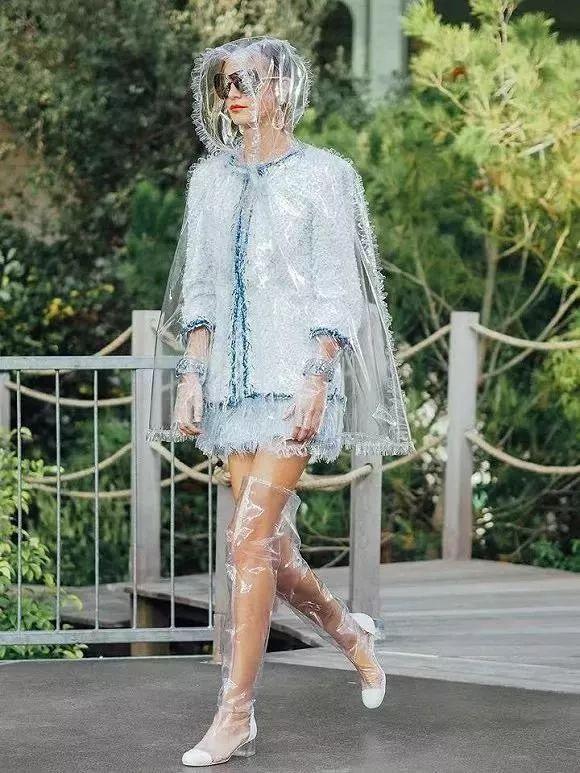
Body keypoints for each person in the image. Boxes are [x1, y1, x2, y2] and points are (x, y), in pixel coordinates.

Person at [147, 36, 415, 767]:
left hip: (296, 381)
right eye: (225, 84)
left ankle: (235, 714)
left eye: (249, 81)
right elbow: (201, 287)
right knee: (271, 549)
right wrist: (193, 374)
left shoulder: (325, 176)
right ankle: (349, 632)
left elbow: (338, 287)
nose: (234, 94)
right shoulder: (209, 181)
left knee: (245, 542)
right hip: (232, 390)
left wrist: (317, 376)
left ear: (283, 89)